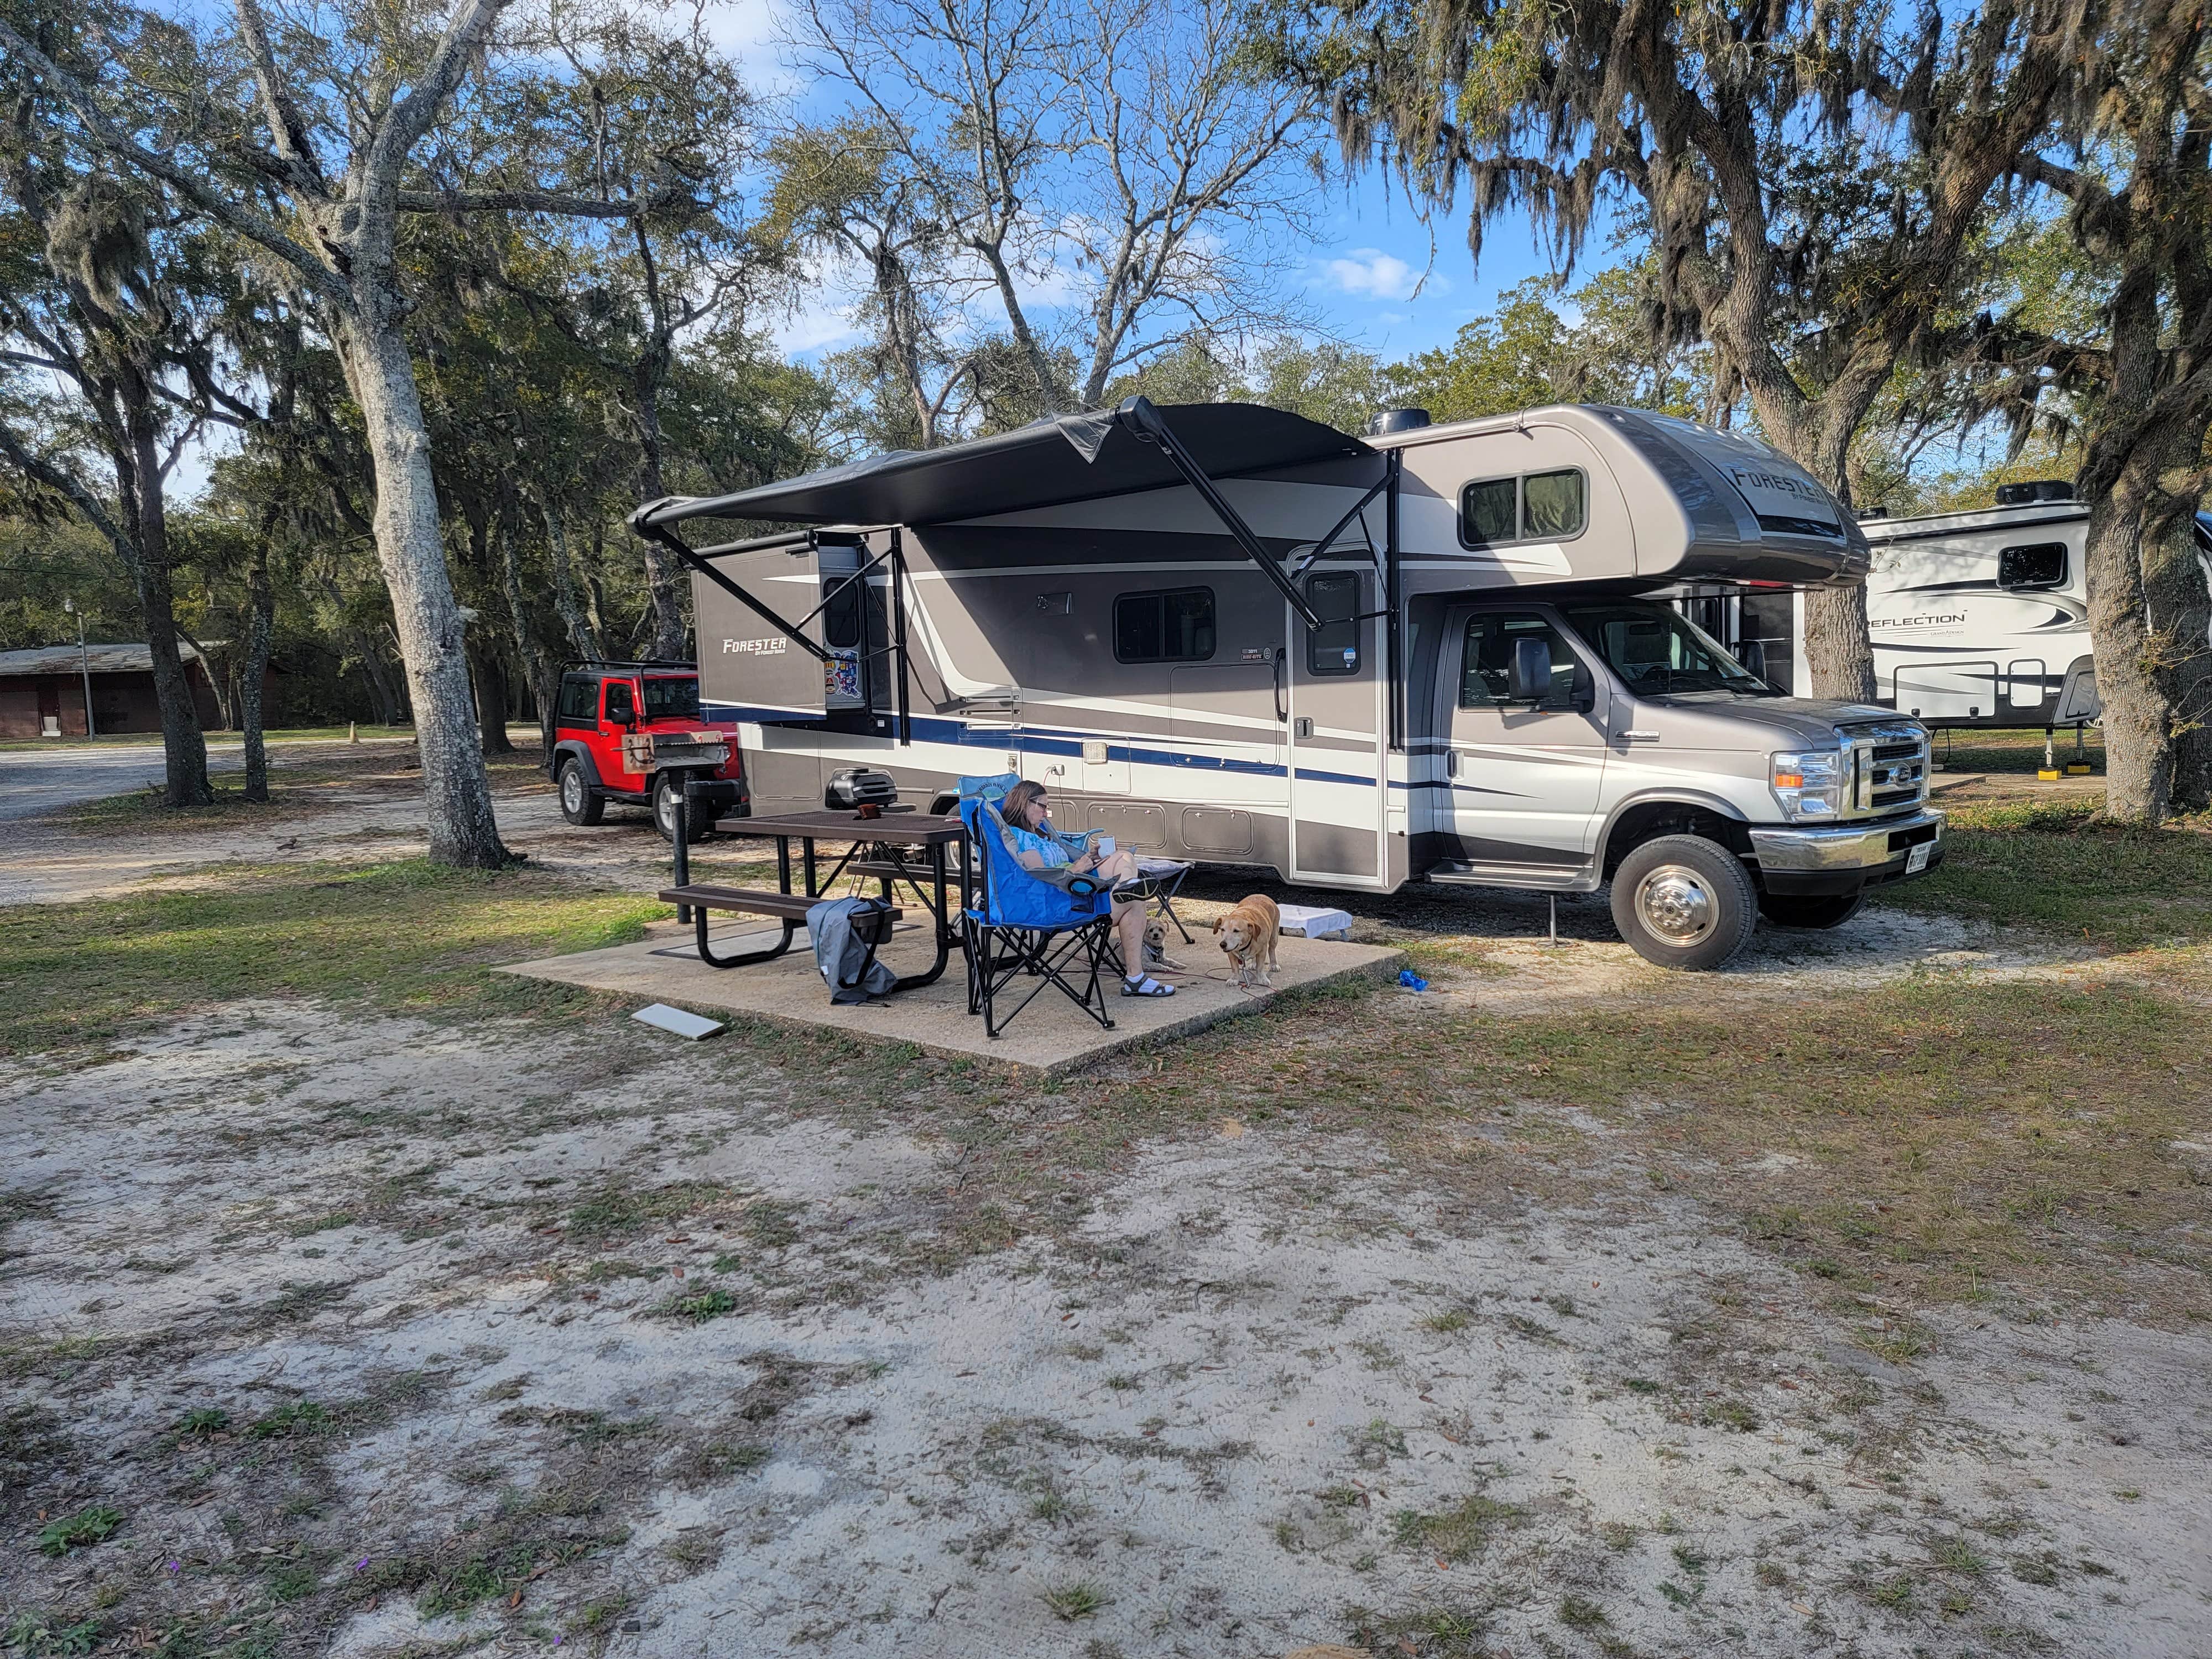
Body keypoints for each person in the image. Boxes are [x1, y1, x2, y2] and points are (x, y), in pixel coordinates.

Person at [998, 779, 1173, 997]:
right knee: (1134, 901)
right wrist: (1079, 867)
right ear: (1025, 804)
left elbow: (1063, 867)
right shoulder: (1021, 840)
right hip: (1058, 903)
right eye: (1043, 807)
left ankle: (1126, 886)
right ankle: (1135, 978)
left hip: (1078, 887)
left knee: (1123, 858)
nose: (1045, 814)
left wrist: (1088, 859)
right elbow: (1041, 878)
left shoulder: (1041, 835)